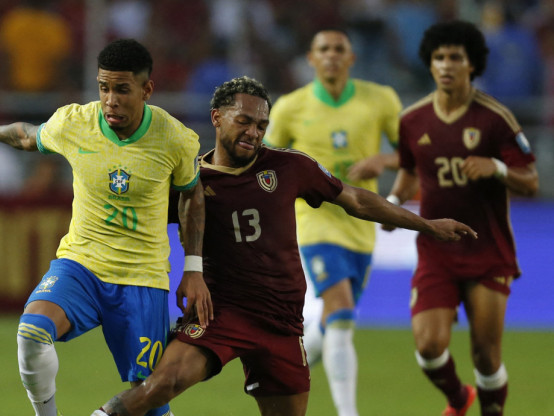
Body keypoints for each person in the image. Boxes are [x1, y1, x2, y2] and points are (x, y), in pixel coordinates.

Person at [91, 77, 475, 416]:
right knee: (162, 385)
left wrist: (426, 225)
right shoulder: (191, 181)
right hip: (222, 315)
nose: (254, 132)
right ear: (216, 118)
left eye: (261, 125)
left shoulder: (289, 167)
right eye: (244, 121)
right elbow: (139, 224)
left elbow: (356, 199)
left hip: (283, 324)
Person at [0, 38, 211, 416]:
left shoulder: (174, 138)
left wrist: (192, 268)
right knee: (31, 333)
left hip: (142, 277)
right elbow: (27, 135)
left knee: (148, 398)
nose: (110, 99)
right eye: (104, 87)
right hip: (82, 263)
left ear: (146, 90)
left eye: (122, 89)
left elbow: (191, 197)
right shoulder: (75, 122)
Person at [385, 20, 538, 416]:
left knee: (486, 357)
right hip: (437, 250)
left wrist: (498, 170)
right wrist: (393, 200)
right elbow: (408, 170)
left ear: (473, 65)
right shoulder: (413, 119)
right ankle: (458, 398)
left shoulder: (495, 118)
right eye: (439, 57)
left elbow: (532, 181)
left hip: (487, 250)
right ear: (430, 64)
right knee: (428, 347)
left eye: (456, 57)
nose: (446, 65)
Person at [265, 28, 402, 416]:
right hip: (313, 222)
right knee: (340, 310)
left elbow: (411, 153)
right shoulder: (291, 106)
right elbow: (265, 161)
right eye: (323, 49)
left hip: (361, 223)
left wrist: (383, 160)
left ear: (351, 58)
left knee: (333, 324)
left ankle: (282, 366)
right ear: (311, 58)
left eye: (339, 49)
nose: (331, 55)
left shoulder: (380, 99)